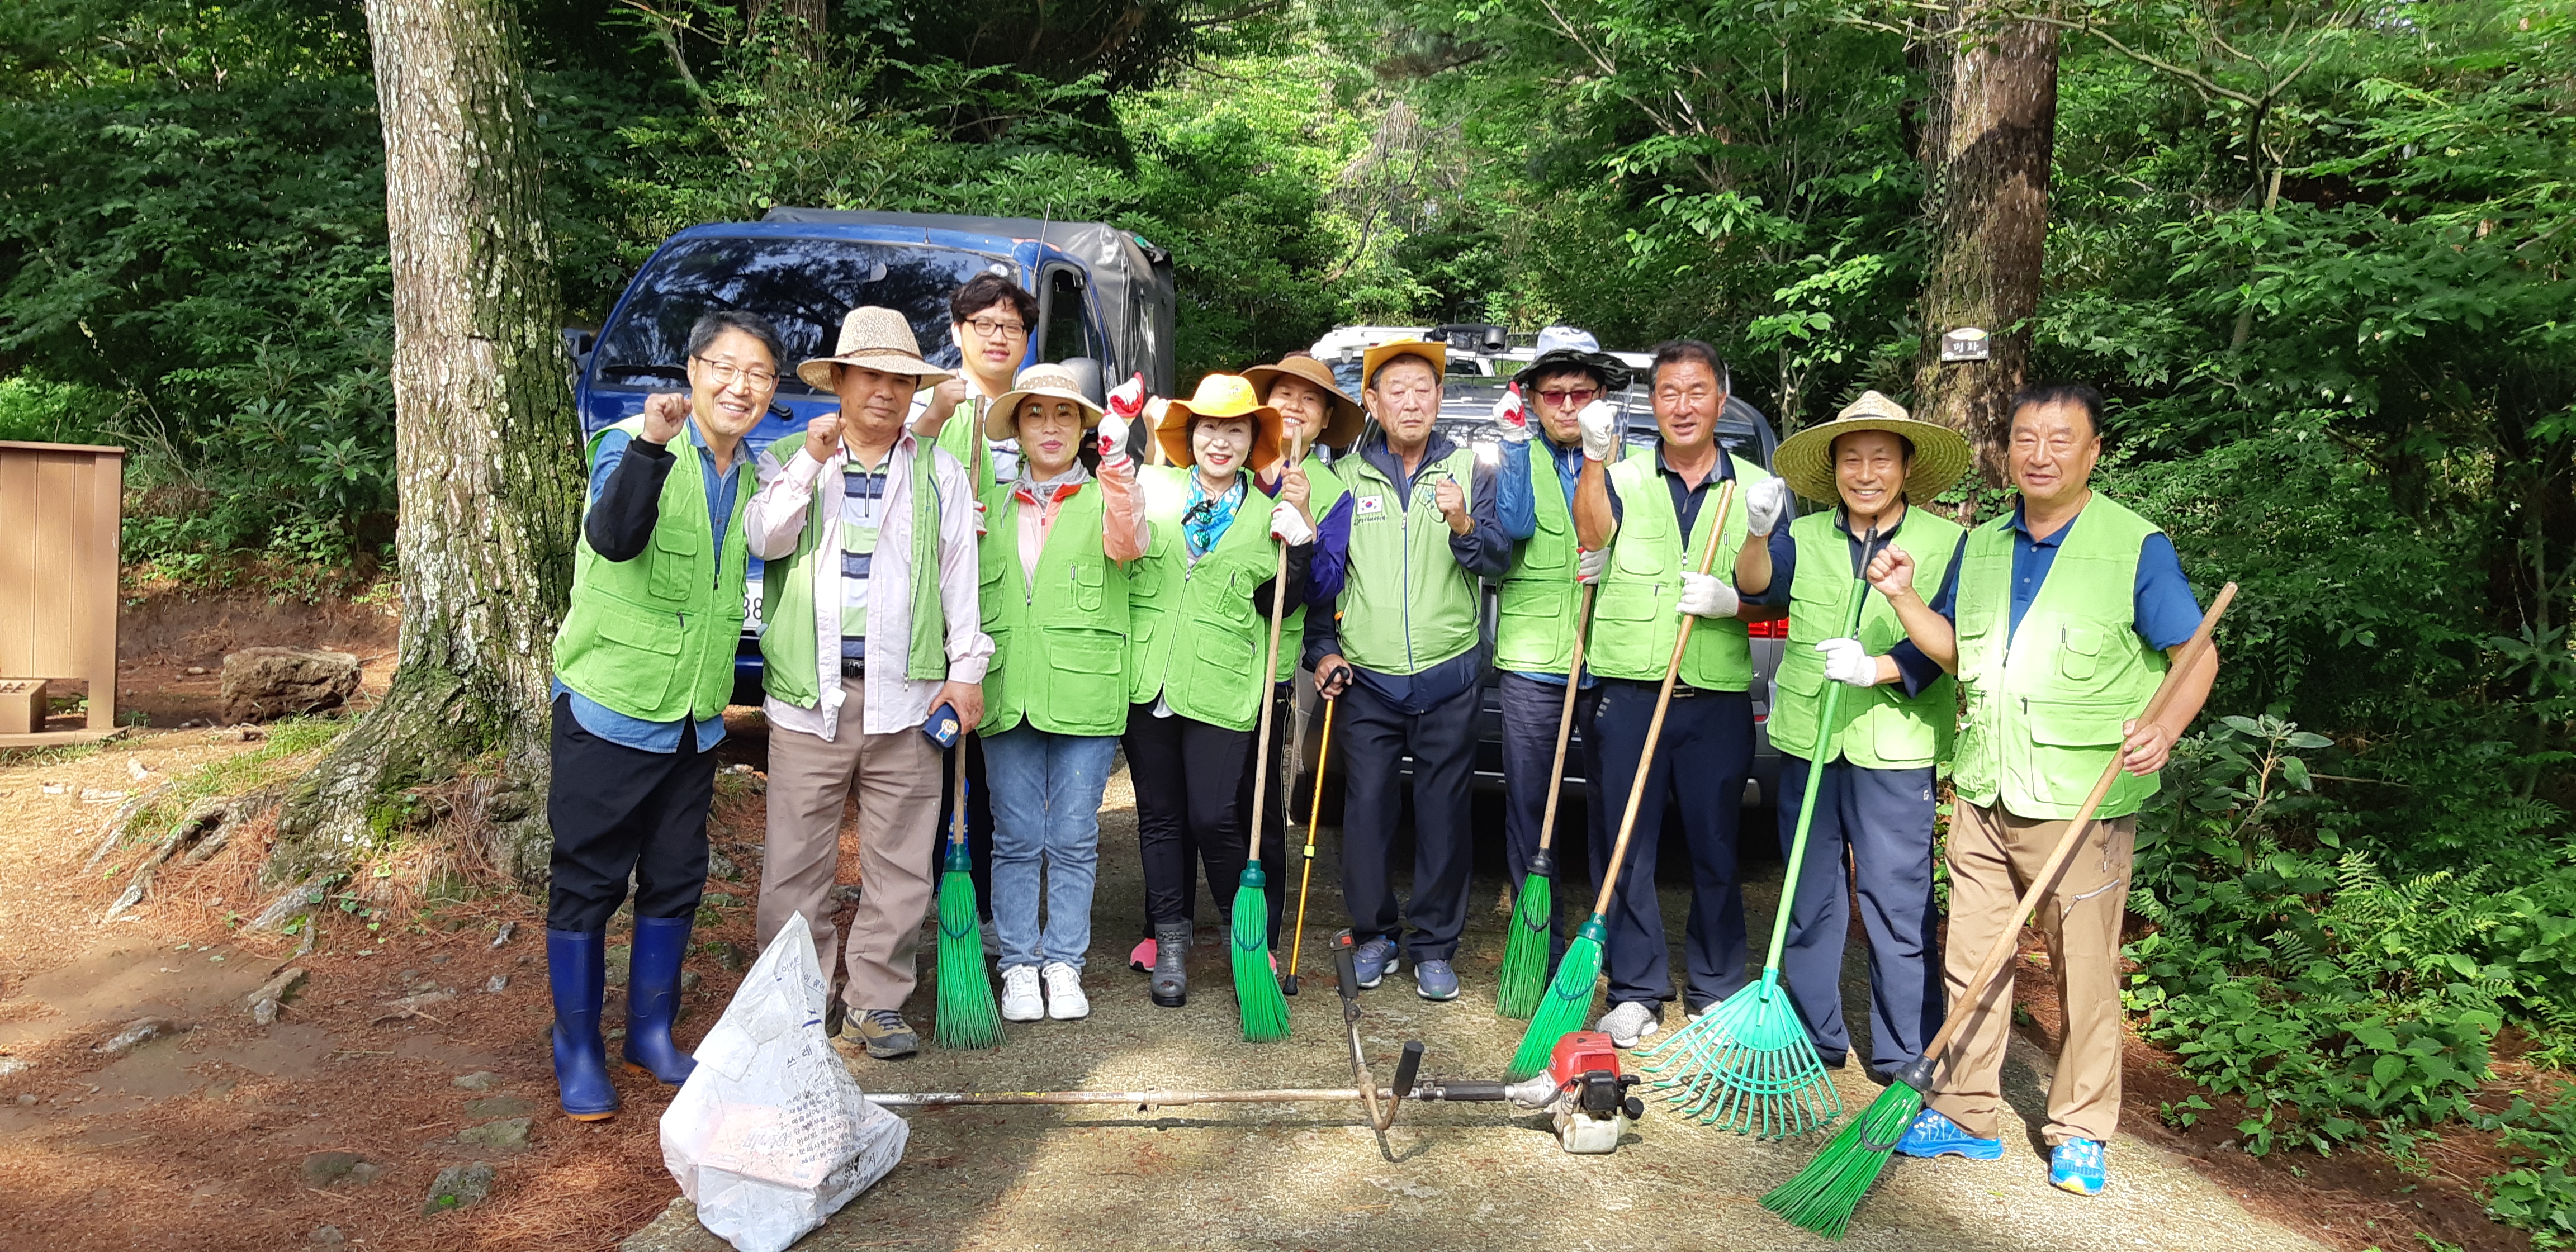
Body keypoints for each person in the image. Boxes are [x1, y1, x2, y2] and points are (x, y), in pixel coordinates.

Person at [1874, 383, 2217, 1197]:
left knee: (2084, 972)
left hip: (2079, 799)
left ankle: (2081, 1128)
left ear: (2093, 453)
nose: (2040, 454)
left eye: (2061, 440)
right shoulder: (1984, 544)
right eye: (2026, 438)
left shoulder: (2135, 546)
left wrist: (2164, 729)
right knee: (1974, 963)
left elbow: (2194, 656)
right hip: (1986, 788)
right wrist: (1903, 599)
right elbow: (1959, 652)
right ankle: (1965, 1113)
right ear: (2008, 451)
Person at [544, 309, 775, 1119]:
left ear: (773, 392)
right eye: (724, 366)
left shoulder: (754, 474)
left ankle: (651, 1033)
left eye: (758, 374)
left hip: (694, 718)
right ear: (692, 369)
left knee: (676, 877)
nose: (739, 385)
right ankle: (575, 1046)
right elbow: (612, 537)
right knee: (589, 880)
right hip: (611, 705)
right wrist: (649, 444)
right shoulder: (628, 443)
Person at [743, 307, 991, 1061]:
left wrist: (965, 674)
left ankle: (877, 1001)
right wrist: (813, 463)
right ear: (841, 381)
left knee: (900, 864)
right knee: (794, 863)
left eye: (900, 379)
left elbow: (959, 579)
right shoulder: (790, 453)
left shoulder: (937, 469)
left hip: (907, 697)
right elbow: (765, 537)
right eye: (871, 375)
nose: (885, 391)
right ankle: (798, 995)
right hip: (807, 697)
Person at [1733, 390, 1969, 1082]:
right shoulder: (1802, 536)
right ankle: (1813, 1034)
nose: (1866, 473)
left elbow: (1955, 641)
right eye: (1852, 460)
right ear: (1833, 468)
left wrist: (1882, 666)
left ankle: (1904, 1053)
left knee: (1897, 905)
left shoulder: (1947, 542)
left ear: (1906, 466)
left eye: (1881, 459)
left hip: (1895, 747)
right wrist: (1755, 531)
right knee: (1811, 895)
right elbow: (1758, 585)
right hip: (1811, 740)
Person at [1568, 339, 1779, 1048]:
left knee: (1719, 846)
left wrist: (1735, 596)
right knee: (1627, 849)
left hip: (1714, 698)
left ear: (1721, 398)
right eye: (1667, 392)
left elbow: (1769, 592)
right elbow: (1590, 532)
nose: (1682, 405)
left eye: (1696, 391)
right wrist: (1593, 459)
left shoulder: (1754, 482)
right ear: (1651, 403)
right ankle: (1637, 989)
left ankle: (1717, 986)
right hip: (1630, 691)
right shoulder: (1623, 473)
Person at [1308, 338, 1511, 1001]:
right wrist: (1322, 649)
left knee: (1444, 813)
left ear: (1439, 399)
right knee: (1365, 811)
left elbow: (1497, 559)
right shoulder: (1343, 477)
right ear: (1373, 402)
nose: (1412, 401)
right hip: (1367, 677)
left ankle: (1433, 945)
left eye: (1424, 388)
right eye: (1396, 389)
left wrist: (1461, 522)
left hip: (1449, 672)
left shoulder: (1471, 468)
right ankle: (1374, 935)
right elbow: (1324, 578)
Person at [1124, 374, 1315, 1007]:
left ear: (1254, 440)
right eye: (1210, 428)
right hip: (1149, 679)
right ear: (1190, 434)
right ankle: (1172, 942)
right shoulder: (1153, 488)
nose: (1221, 441)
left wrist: (1304, 539)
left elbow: (1286, 603)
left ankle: (1246, 938)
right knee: (1160, 817)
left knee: (1214, 815)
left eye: (1236, 430)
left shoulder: (1269, 515)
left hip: (1226, 684)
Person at [974, 363, 1147, 1023]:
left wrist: (1119, 463)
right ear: (1016, 426)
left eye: (1065, 414)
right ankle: (1018, 961)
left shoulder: (1109, 490)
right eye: (1035, 413)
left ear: (1084, 428)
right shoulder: (987, 494)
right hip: (1007, 688)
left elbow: (1130, 542)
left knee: (1074, 836)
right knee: (1015, 836)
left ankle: (1064, 963)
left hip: (1085, 692)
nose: (1050, 427)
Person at [1490, 327, 1631, 970]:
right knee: (1528, 806)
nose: (1569, 406)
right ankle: (1538, 948)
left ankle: (1611, 943)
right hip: (1532, 660)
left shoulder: (1632, 464)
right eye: (1555, 394)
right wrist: (1515, 445)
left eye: (1583, 393)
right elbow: (1514, 525)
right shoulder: (1515, 451)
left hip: (1615, 654)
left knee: (1615, 806)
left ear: (1603, 396)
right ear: (1534, 398)